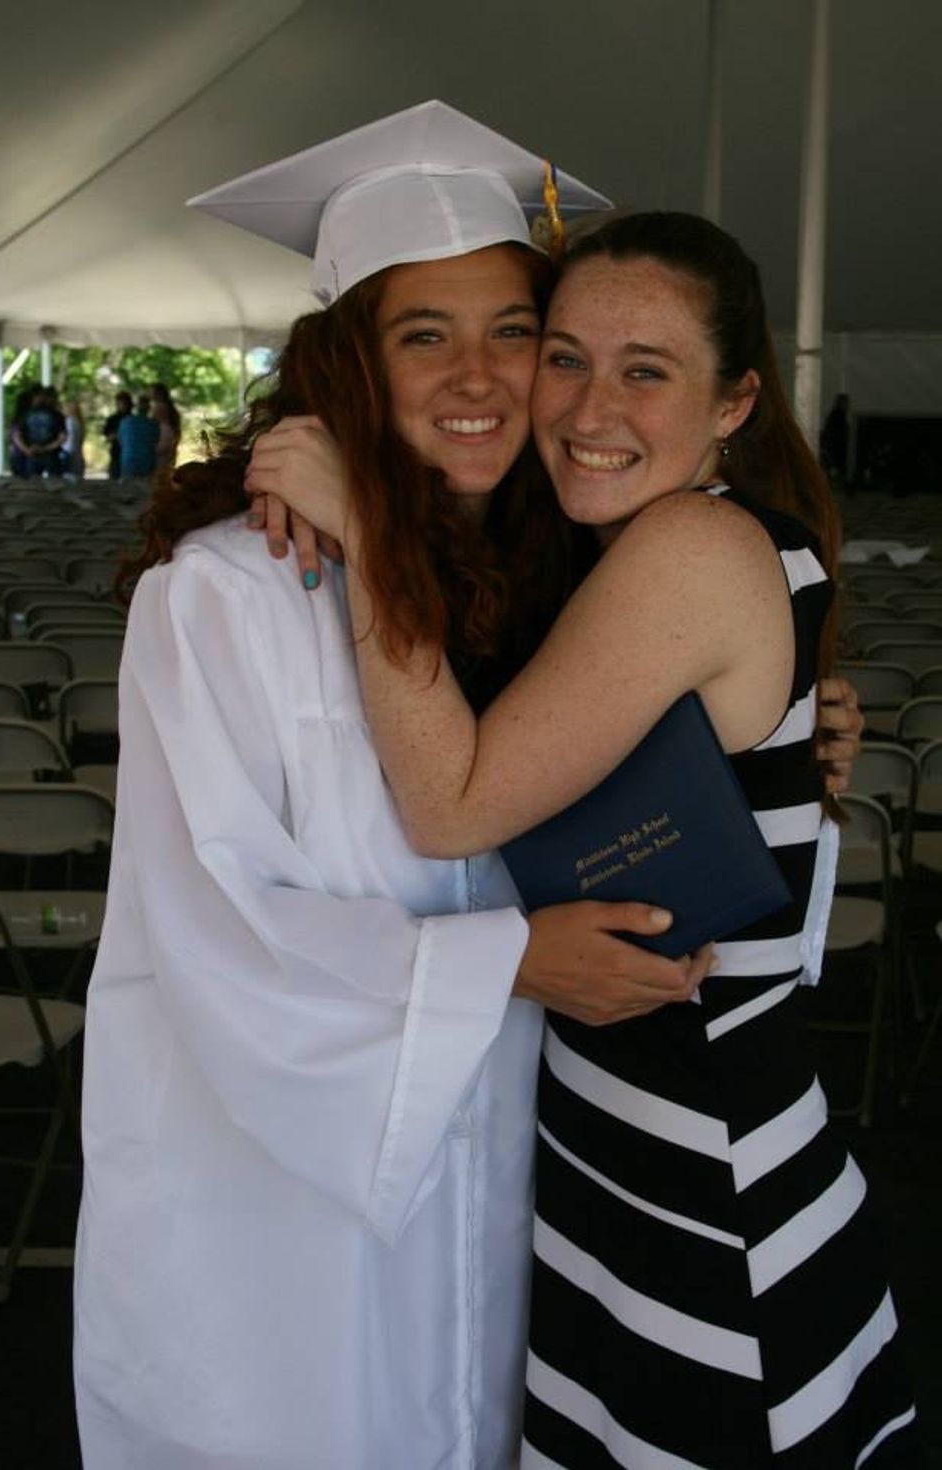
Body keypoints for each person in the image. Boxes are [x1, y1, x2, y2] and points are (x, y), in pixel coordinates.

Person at [74, 104, 720, 1470]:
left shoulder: (560, 582)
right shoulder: (231, 595)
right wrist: (507, 966)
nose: (477, 376)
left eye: (513, 333)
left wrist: (793, 739)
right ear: (349, 366)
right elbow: (210, 921)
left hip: (503, 1154)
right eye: (423, 334)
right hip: (280, 1194)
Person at [250, 210, 917, 1467]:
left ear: (732, 403)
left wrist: (365, 531)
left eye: (644, 370)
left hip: (704, 1177)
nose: (587, 407)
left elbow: (450, 806)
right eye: (563, 357)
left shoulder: (688, 545)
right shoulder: (634, 547)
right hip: (643, 1151)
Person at [12, 383, 65, 476]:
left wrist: (28, 449)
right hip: (40, 454)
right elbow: (17, 434)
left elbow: (62, 436)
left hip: (41, 454)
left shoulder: (26, 414)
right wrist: (29, 450)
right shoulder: (25, 414)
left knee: (35, 478)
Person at [116, 392, 160, 478]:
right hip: (147, 461)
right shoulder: (153, 424)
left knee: (128, 485)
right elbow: (156, 441)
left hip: (128, 461)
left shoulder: (125, 421)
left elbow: (120, 441)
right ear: (149, 408)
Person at [150, 381, 181, 470]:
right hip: (170, 442)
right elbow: (177, 431)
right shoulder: (172, 409)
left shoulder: (158, 407)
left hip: (161, 442)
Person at [102, 390, 133, 479]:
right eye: (120, 402)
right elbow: (107, 436)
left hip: (131, 455)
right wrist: (116, 436)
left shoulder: (134, 419)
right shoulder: (112, 419)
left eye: (125, 402)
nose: (123, 405)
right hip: (116, 453)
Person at [62, 398, 86, 478]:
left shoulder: (69, 421)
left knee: (68, 476)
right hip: (77, 452)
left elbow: (68, 437)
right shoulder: (79, 422)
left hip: (68, 451)